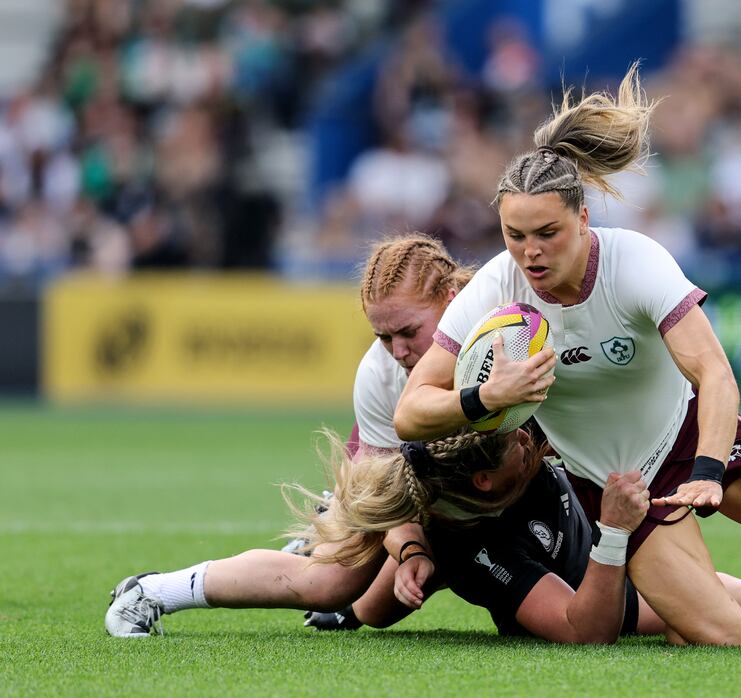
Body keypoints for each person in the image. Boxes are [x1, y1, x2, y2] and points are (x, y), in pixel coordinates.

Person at [393, 63, 741, 645]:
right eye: (514, 235)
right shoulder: (495, 289)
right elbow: (411, 411)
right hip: (621, 487)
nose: (530, 252)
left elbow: (714, 373)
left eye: (548, 232)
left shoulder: (635, 261)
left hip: (691, 436)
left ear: (583, 218)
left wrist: (708, 472)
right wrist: (487, 397)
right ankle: (685, 596)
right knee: (729, 638)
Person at [105, 234, 474, 637]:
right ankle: (152, 592)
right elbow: (393, 507)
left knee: (380, 604)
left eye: (408, 331)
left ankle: (332, 533)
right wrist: (410, 549)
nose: (398, 352)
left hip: (471, 480)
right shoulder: (379, 375)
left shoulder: (505, 329)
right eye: (383, 337)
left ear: (452, 298)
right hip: (398, 469)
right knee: (330, 584)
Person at [300, 426, 741, 643]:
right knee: (374, 609)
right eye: (514, 443)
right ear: (485, 480)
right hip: (590, 593)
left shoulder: (510, 444)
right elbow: (584, 631)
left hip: (602, 571)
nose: (524, 437)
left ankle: (366, 583)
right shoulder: (476, 546)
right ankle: (342, 595)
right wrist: (615, 531)